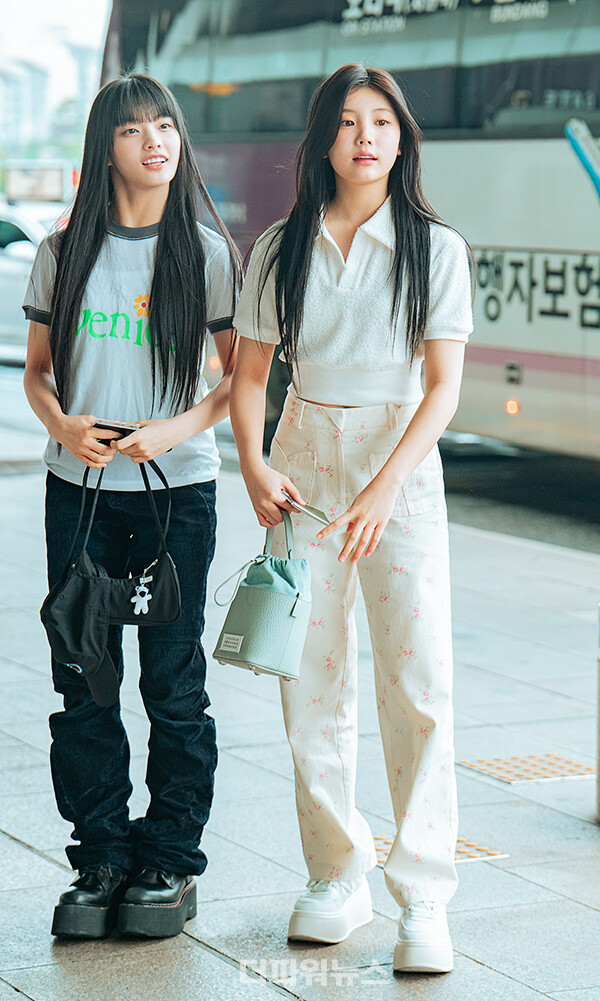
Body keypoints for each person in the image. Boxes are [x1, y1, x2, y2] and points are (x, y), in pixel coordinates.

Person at [230, 64, 473, 974]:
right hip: (300, 469)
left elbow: (444, 390)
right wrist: (253, 465)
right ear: (323, 141)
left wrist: (381, 487)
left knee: (418, 682)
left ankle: (425, 894)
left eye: (380, 121)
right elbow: (251, 378)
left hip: (399, 464)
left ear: (402, 138)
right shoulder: (279, 246)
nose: (364, 136)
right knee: (310, 682)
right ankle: (337, 874)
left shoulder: (434, 249)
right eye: (346, 122)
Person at [23, 74, 241, 939]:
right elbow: (37, 374)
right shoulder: (63, 248)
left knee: (172, 685)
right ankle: (103, 857)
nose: (156, 141)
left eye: (166, 126)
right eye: (134, 129)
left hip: (176, 495)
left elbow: (239, 383)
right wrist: (65, 426)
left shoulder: (205, 253)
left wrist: (177, 426)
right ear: (103, 145)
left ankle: (168, 862)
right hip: (77, 496)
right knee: (83, 681)